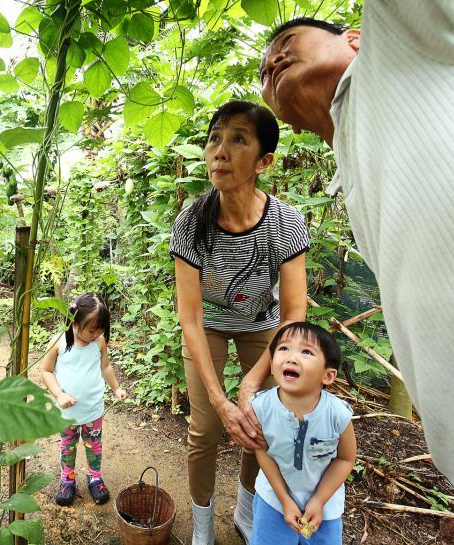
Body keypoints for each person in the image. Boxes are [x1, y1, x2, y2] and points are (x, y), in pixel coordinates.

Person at [254, 6, 454, 544]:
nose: (272, 61)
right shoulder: (356, 170)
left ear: (356, 36)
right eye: (263, 73)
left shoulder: (404, 42)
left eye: (288, 42)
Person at [170, 100, 309, 544]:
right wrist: (219, 397)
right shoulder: (191, 222)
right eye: (215, 138)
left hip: (264, 325)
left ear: (264, 161)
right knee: (207, 427)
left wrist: (250, 384)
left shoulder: (284, 222)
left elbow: (294, 314)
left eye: (238, 140)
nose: (220, 151)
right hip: (207, 323)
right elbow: (189, 317)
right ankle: (204, 524)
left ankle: (247, 509)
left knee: (260, 421)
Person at [250, 322, 355, 545]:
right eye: (284, 348)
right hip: (273, 502)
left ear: (328, 376)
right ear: (271, 364)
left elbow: (345, 459)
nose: (291, 357)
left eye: (306, 352)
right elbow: (262, 451)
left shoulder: (337, 414)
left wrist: (319, 500)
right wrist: (284, 500)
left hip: (324, 509)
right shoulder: (261, 407)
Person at [40, 293, 128, 506]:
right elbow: (46, 371)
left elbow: (105, 367)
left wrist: (116, 388)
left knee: (94, 445)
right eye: (92, 329)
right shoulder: (60, 342)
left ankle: (95, 477)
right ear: (75, 322)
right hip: (67, 413)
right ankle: (67, 479)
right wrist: (59, 395)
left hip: (93, 409)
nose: (96, 333)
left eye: (100, 329)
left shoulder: (98, 341)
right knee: (68, 446)